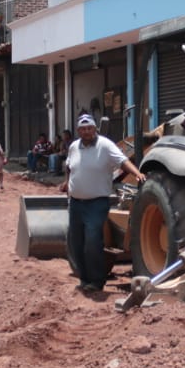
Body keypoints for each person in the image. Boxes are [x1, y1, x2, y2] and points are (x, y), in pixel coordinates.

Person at [61, 114, 144, 292]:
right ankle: (84, 279)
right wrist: (67, 183)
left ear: (95, 129)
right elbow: (69, 166)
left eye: (89, 128)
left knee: (92, 240)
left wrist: (137, 173)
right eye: (82, 129)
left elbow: (123, 161)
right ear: (78, 131)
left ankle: (97, 281)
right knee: (76, 242)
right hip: (75, 204)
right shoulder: (74, 146)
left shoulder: (105, 145)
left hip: (96, 204)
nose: (86, 132)